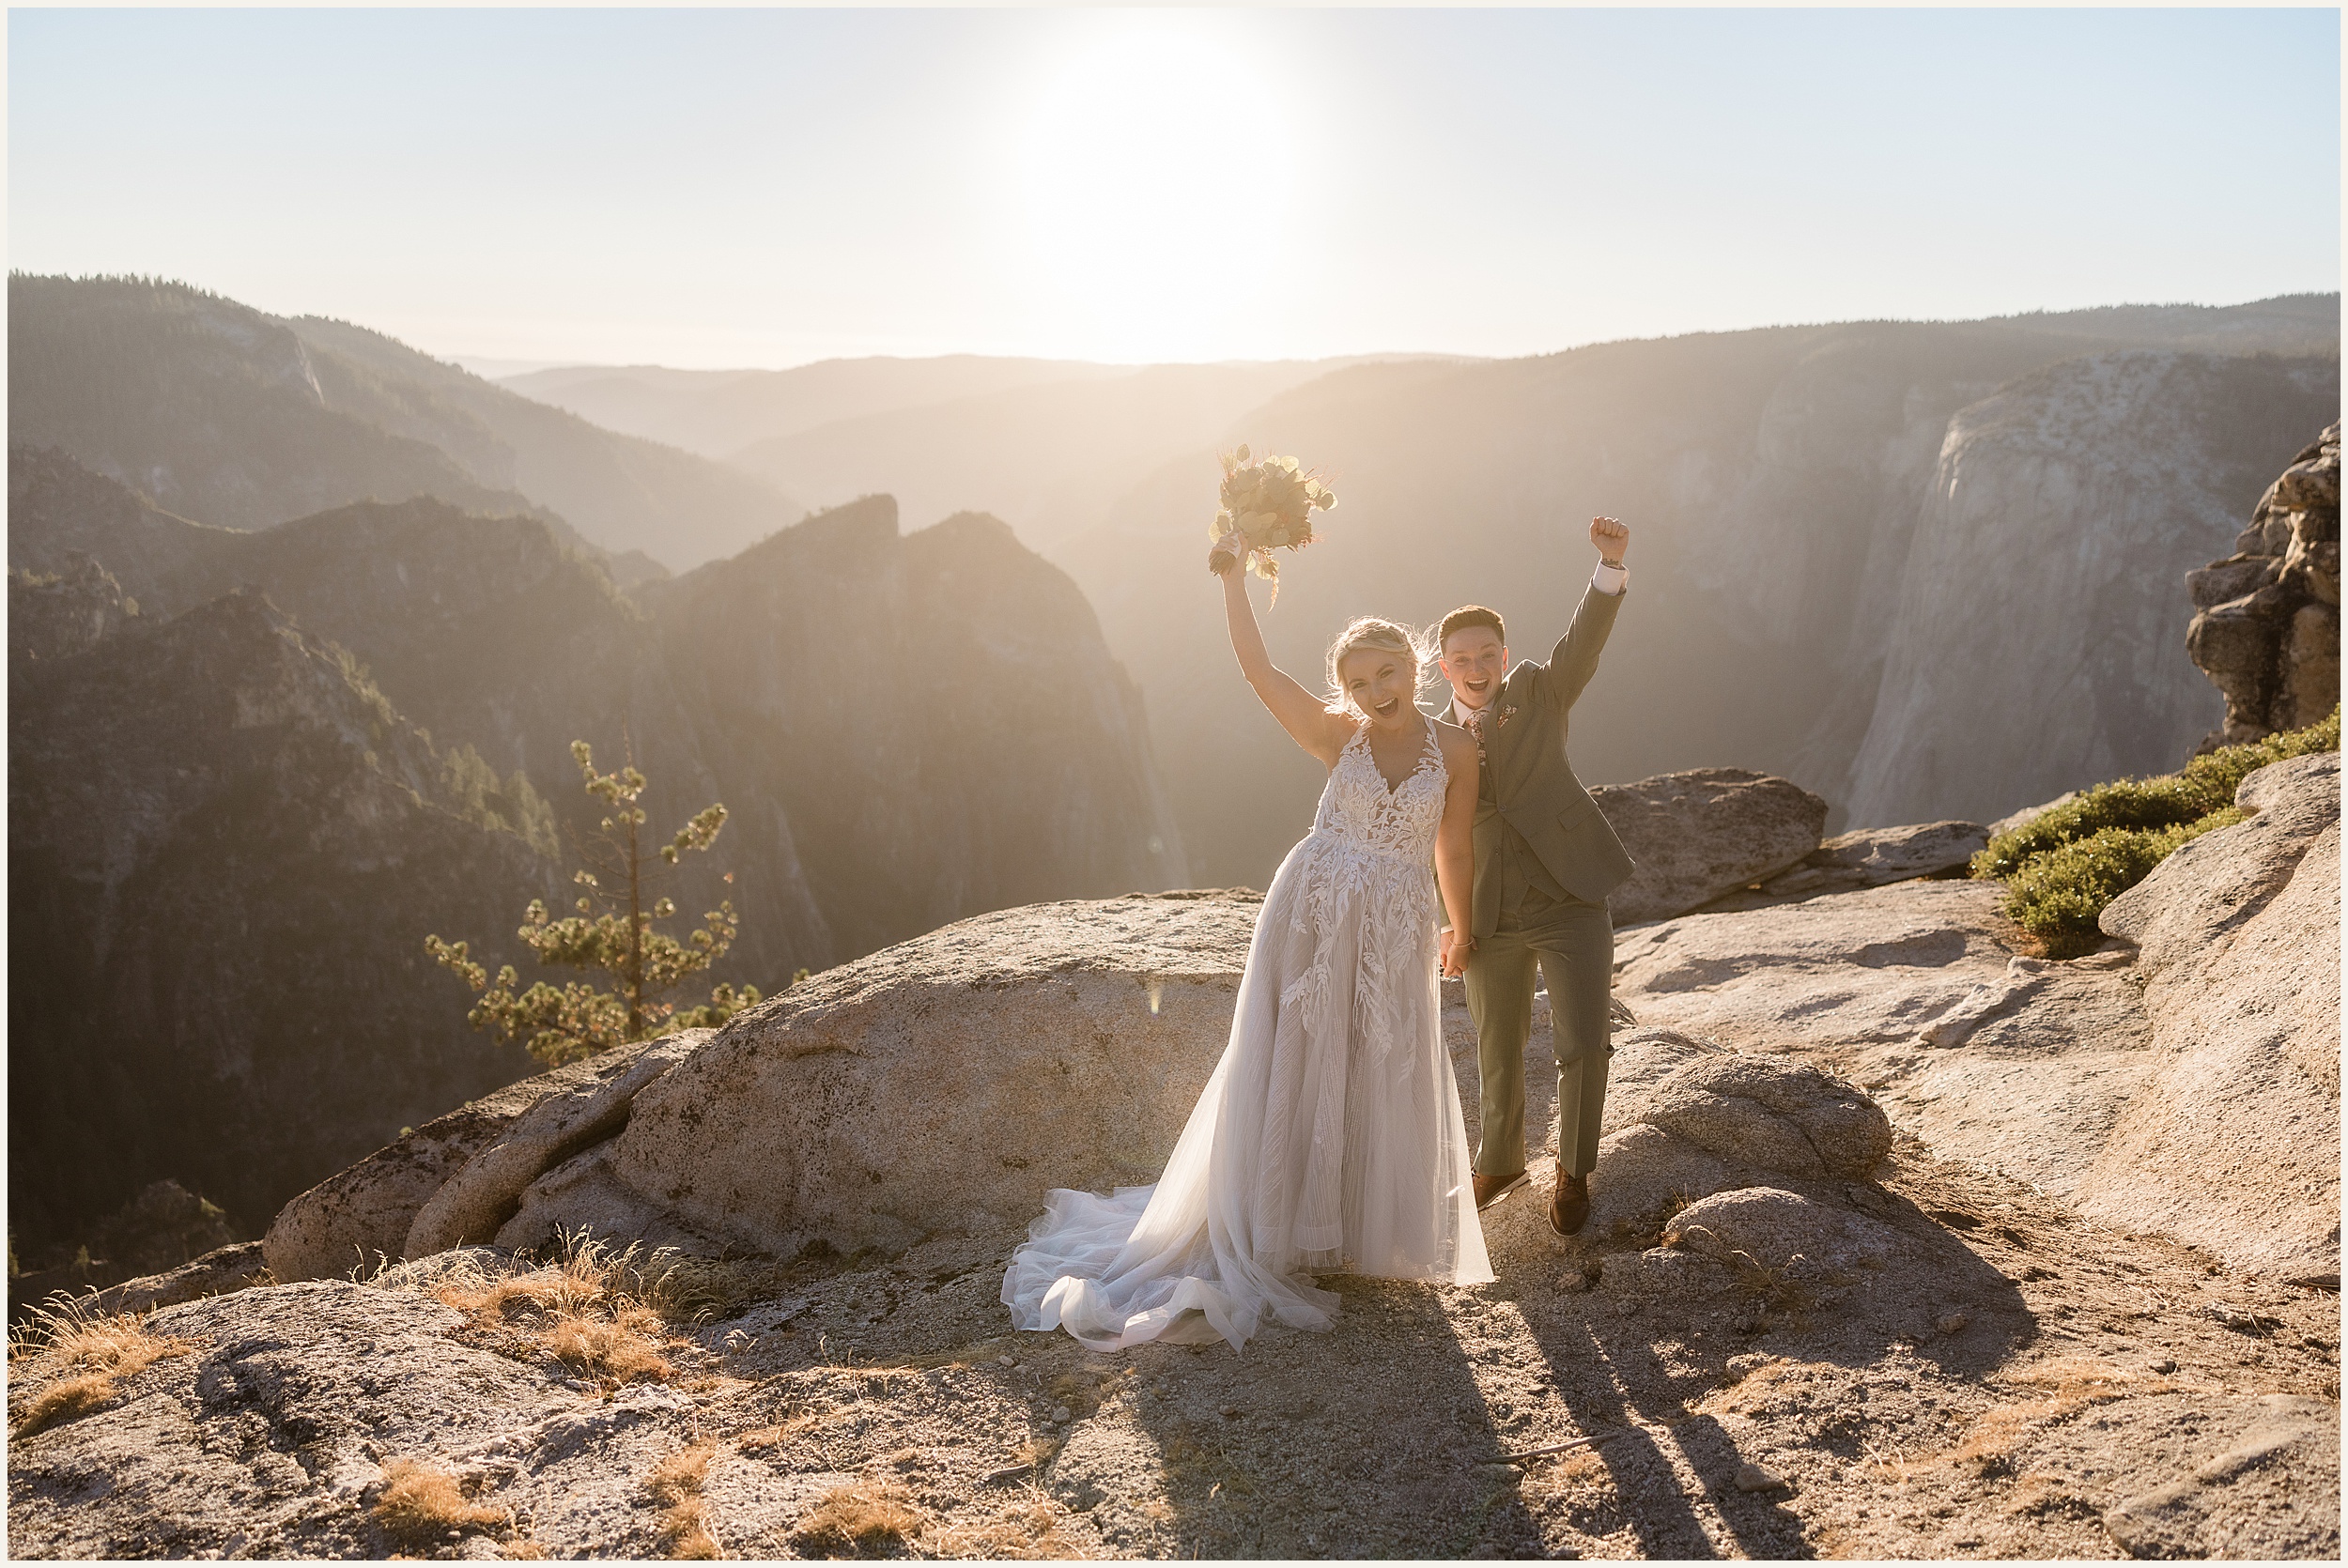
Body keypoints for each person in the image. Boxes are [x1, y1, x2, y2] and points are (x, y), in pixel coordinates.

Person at [1001, 535, 1493, 1352]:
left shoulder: (1461, 750)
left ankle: (1354, 1230)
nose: (1375, 692)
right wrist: (1232, 579)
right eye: (1358, 683)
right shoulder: (1341, 738)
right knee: (1297, 1053)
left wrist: (1462, 925)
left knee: (1378, 1059)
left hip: (1400, 918)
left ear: (1414, 664)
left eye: (1387, 673)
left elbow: (1455, 845)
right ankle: (1277, 1225)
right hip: (1316, 905)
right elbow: (1259, 673)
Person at [1433, 516, 1633, 1237]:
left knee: (1584, 1042)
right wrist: (1452, 925)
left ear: (1504, 656)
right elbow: (1438, 839)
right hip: (1490, 917)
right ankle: (1501, 1160)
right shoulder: (1434, 741)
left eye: (1489, 653)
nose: (1478, 666)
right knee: (1497, 1044)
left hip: (1571, 895)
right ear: (1445, 667)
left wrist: (1608, 568)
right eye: (1463, 658)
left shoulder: (1541, 693)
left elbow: (1584, 644)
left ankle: (1574, 1171)